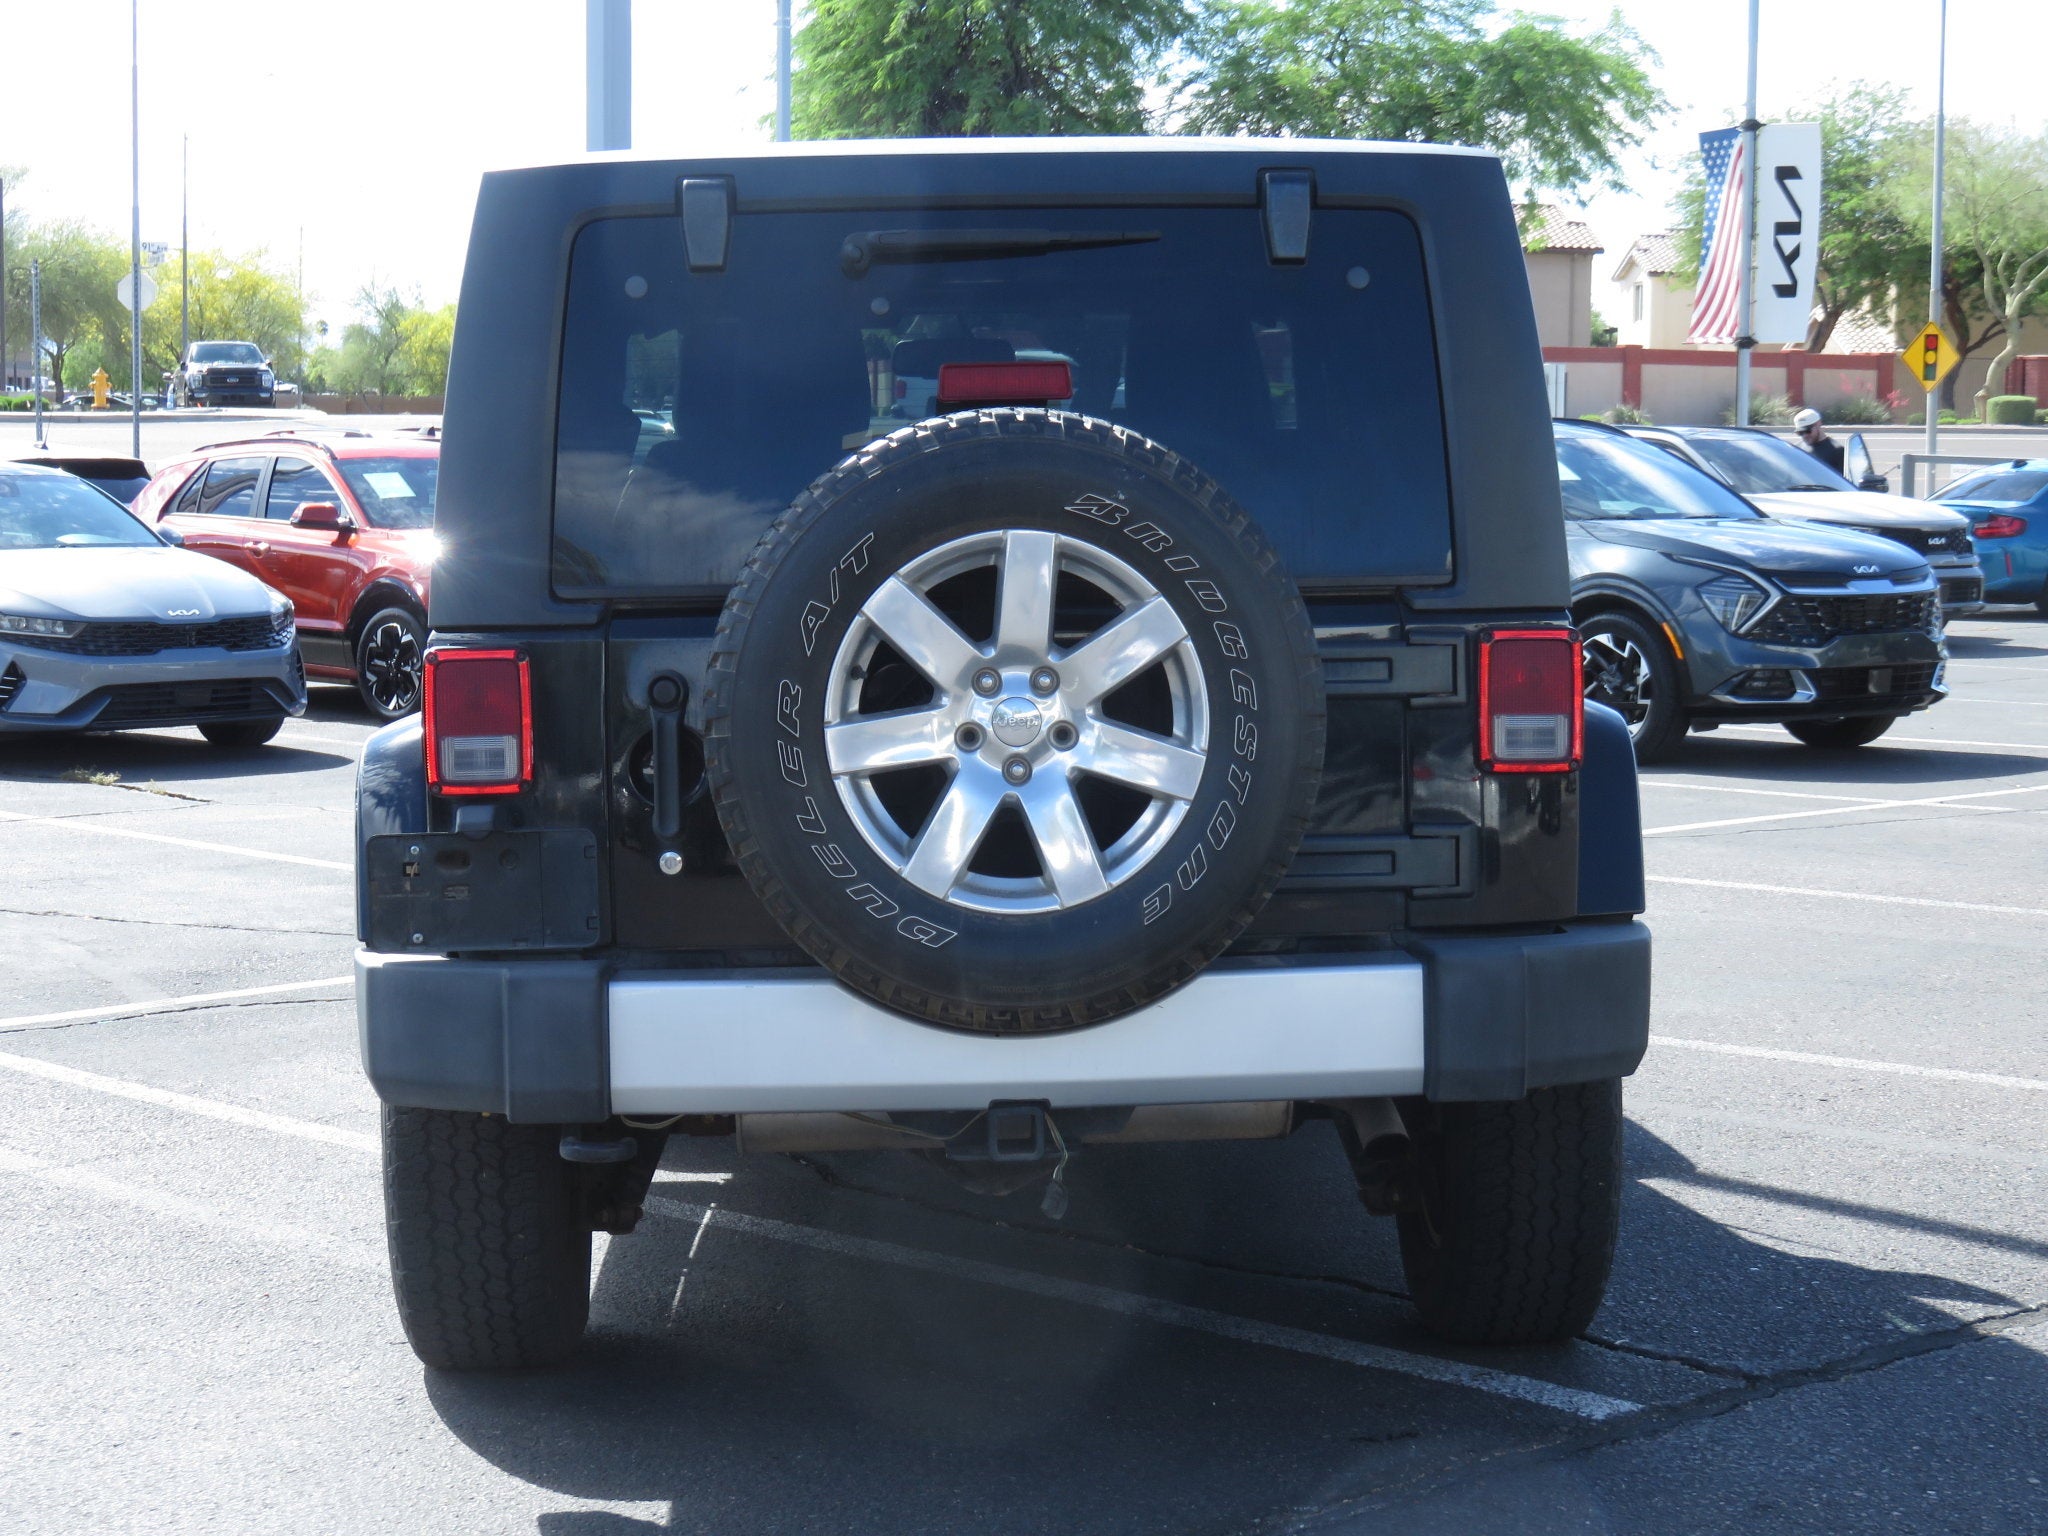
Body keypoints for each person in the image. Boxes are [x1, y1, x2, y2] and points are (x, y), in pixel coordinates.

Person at [1792, 408, 1846, 476]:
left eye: (1807, 431)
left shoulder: (1837, 451)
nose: (1804, 435)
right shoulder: (1797, 449)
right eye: (1800, 432)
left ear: (1818, 424)